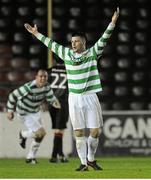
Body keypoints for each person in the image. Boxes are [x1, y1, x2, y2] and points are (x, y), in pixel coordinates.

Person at [24, 7, 120, 171]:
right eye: (72, 41)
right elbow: (50, 44)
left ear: (83, 42)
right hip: (74, 98)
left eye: (76, 41)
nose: (73, 43)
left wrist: (112, 23)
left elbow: (105, 38)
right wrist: (35, 33)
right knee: (79, 133)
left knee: (95, 132)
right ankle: (83, 163)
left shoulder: (92, 53)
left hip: (90, 96)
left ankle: (90, 159)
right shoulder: (66, 53)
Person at [7, 69, 61, 164]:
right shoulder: (29, 87)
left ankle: (30, 157)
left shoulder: (47, 87)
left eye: (45, 76)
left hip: (35, 112)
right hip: (24, 113)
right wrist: (10, 111)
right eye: (41, 76)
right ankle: (23, 134)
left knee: (41, 135)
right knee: (41, 132)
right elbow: (13, 96)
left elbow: (51, 98)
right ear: (36, 77)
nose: (43, 78)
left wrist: (57, 104)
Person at [47, 64, 69, 163]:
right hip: (62, 102)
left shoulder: (50, 70)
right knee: (60, 130)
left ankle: (61, 154)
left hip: (51, 102)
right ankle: (54, 156)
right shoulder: (69, 69)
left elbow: (46, 86)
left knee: (57, 130)